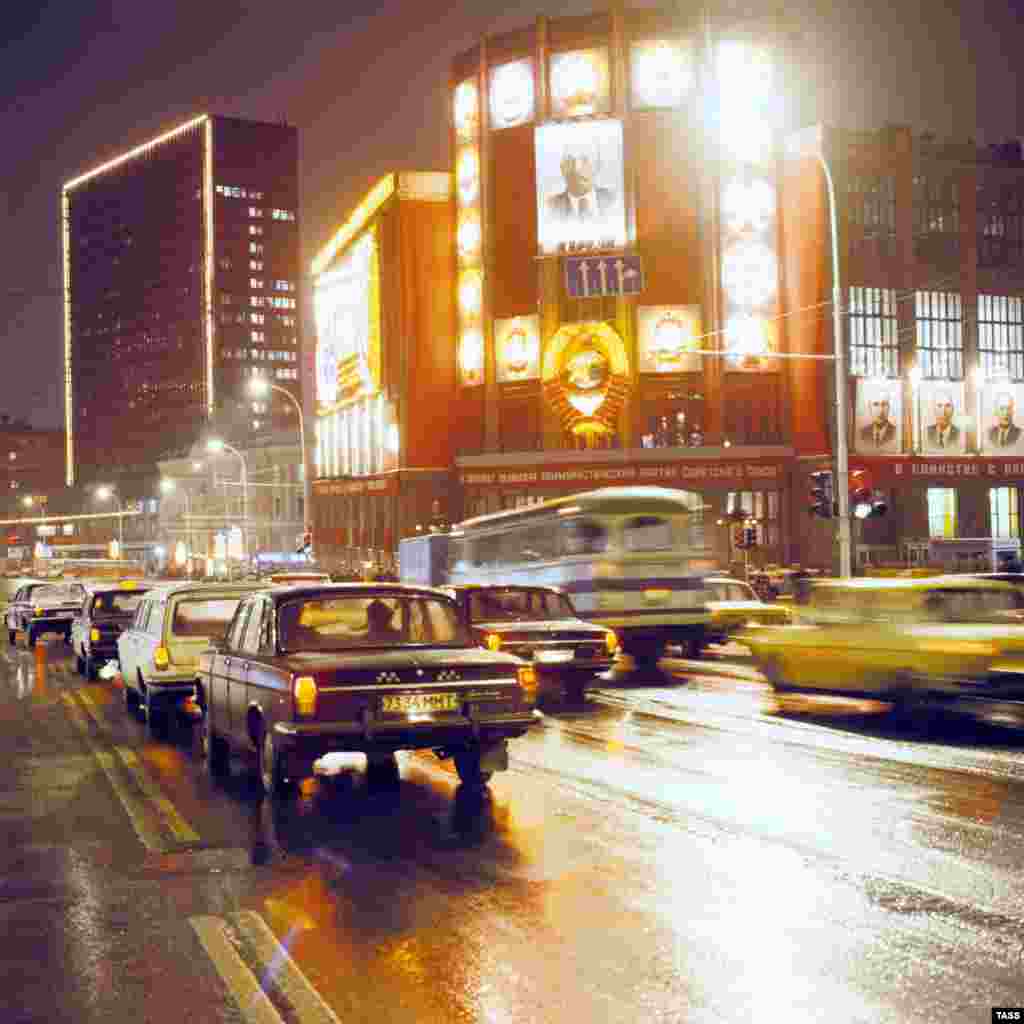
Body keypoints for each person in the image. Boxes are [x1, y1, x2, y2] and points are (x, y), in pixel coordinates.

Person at [545, 147, 616, 225]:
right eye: (570, 161)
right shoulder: (551, 207)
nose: (577, 169)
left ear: (597, 166)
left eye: (584, 160)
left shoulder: (613, 200)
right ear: (562, 169)